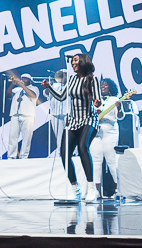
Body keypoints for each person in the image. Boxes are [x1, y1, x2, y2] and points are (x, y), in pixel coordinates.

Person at [42, 54, 100, 202]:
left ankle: (91, 188)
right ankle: (75, 188)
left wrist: (97, 101)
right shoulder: (73, 79)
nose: (72, 63)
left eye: (75, 61)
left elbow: (97, 99)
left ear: (82, 62)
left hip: (89, 118)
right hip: (73, 120)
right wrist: (49, 87)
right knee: (64, 153)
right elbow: (62, 97)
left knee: (82, 148)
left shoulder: (92, 79)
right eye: (72, 61)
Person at [89, 78, 125, 198]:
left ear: (111, 87)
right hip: (96, 131)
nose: (103, 86)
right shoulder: (95, 100)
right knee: (96, 160)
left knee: (111, 160)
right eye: (101, 85)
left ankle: (120, 189)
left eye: (106, 85)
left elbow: (120, 117)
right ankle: (95, 191)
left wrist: (119, 108)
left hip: (110, 130)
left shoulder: (115, 100)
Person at [6, 73, 40, 159]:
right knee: (12, 137)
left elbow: (33, 96)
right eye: (22, 79)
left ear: (29, 80)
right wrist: (12, 84)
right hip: (15, 115)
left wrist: (23, 86)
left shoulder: (34, 88)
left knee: (26, 138)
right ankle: (11, 156)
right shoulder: (17, 89)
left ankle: (23, 157)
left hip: (28, 116)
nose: (23, 80)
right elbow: (8, 95)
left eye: (25, 79)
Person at [43, 69, 68, 155]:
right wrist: (49, 86)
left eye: (64, 74)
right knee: (59, 136)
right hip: (55, 114)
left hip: (68, 113)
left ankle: (73, 153)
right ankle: (60, 153)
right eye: (61, 75)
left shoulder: (70, 85)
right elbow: (46, 94)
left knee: (70, 135)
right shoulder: (55, 85)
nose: (63, 76)